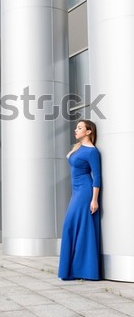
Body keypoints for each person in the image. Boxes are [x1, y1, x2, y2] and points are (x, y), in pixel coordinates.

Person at [58, 119, 101, 280]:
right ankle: (73, 270)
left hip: (85, 192)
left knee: (75, 226)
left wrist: (94, 200)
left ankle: (83, 270)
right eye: (76, 127)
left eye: (80, 128)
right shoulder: (79, 148)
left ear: (88, 131)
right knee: (72, 226)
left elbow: (97, 177)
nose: (76, 130)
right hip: (76, 192)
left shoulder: (92, 152)